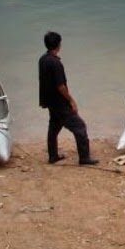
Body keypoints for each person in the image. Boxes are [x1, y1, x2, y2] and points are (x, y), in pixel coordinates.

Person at [39, 31, 98, 165]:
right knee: (80, 127)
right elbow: (61, 87)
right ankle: (84, 158)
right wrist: (71, 100)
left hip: (50, 101)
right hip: (60, 102)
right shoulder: (56, 63)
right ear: (58, 45)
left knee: (54, 127)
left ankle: (53, 156)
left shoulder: (43, 60)